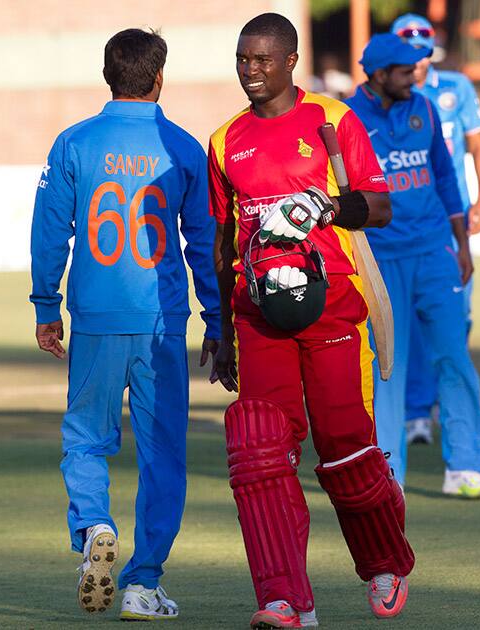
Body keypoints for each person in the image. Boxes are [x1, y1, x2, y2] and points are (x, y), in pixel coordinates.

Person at [208, 13, 414, 628]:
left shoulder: (333, 120)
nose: (251, 70)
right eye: (243, 59)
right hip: (257, 313)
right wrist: (219, 328)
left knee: (346, 445)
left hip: (335, 305)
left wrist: (328, 206)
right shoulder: (225, 140)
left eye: (263, 59)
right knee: (260, 450)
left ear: (290, 59)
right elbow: (224, 242)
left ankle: (383, 563)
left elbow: (379, 206)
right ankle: (283, 599)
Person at [29, 29, 221, 619]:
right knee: (163, 454)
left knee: (86, 439)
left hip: (95, 320)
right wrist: (217, 318)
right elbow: (204, 241)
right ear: (159, 77)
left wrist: (45, 305)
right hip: (163, 323)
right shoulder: (185, 147)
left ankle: (93, 527)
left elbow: (49, 228)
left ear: (107, 75)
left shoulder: (73, 144)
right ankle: (142, 583)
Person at [345, 34, 480, 498]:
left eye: (416, 69)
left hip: (435, 251)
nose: (415, 77)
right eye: (404, 71)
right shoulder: (346, 118)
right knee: (388, 366)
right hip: (381, 257)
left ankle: (466, 467)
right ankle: (390, 473)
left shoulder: (425, 108)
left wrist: (463, 245)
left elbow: (445, 176)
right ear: (376, 73)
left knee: (453, 353)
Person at [390, 13, 480, 446]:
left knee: (456, 318)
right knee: (407, 319)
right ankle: (415, 412)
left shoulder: (456, 89)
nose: (415, 50)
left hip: (450, 218)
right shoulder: (389, 94)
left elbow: (477, 146)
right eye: (405, 42)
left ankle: (448, 412)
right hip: (405, 224)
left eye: (422, 40)